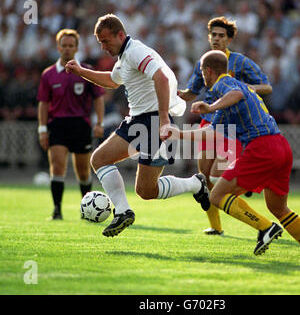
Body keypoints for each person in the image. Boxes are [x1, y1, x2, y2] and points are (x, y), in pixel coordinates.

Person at [167, 50, 300, 261]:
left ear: (207, 71)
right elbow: (213, 131)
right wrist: (179, 134)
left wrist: (210, 106)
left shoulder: (224, 85)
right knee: (279, 208)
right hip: (280, 146)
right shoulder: (230, 92)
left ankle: (265, 228)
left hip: (262, 148)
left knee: (216, 195)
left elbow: (237, 95)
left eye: (201, 72)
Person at [65, 14, 210, 237]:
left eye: (106, 41)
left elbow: (161, 77)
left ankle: (193, 185)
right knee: (124, 175)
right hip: (139, 120)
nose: (104, 47)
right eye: (100, 43)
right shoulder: (125, 57)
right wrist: (82, 72)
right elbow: (112, 81)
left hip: (152, 121)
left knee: (135, 183)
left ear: (120, 35)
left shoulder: (136, 51)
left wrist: (163, 119)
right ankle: (126, 211)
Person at [178, 16, 272, 236]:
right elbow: (191, 93)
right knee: (205, 177)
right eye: (214, 35)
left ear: (229, 39)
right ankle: (216, 226)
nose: (217, 39)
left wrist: (245, 89)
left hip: (232, 126)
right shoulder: (204, 61)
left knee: (218, 178)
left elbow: (267, 87)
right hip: (210, 122)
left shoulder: (241, 61)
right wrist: (173, 91)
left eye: (221, 35)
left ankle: (259, 219)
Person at [37, 28, 105, 220]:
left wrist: (98, 122)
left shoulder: (86, 71)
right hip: (57, 124)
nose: (67, 49)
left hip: (80, 125)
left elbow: (98, 98)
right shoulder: (48, 75)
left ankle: (87, 211)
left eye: (71, 45)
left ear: (76, 48)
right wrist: (42, 129)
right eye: (64, 45)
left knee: (83, 171)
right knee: (57, 166)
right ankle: (57, 210)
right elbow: (43, 103)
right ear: (58, 47)